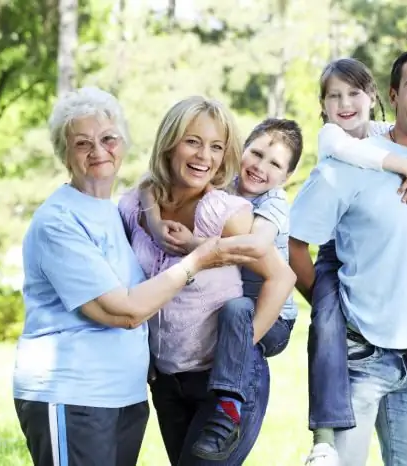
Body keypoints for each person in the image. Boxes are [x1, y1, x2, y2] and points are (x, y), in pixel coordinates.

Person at [12, 87, 262, 466]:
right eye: (83, 143)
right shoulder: (59, 221)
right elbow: (123, 312)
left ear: (123, 144)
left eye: (108, 139)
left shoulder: (115, 212)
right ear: (64, 152)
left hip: (125, 396)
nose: (99, 151)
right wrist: (197, 259)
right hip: (72, 393)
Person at [289, 46, 407, 466]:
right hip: (357, 360)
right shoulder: (345, 164)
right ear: (392, 94)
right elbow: (294, 244)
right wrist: (331, 307)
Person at [118, 96, 296, 464]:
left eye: (216, 147)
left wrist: (240, 351)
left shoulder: (226, 212)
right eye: (193, 141)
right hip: (166, 382)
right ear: (170, 142)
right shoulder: (136, 204)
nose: (204, 156)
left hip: (223, 385)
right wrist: (151, 219)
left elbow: (282, 276)